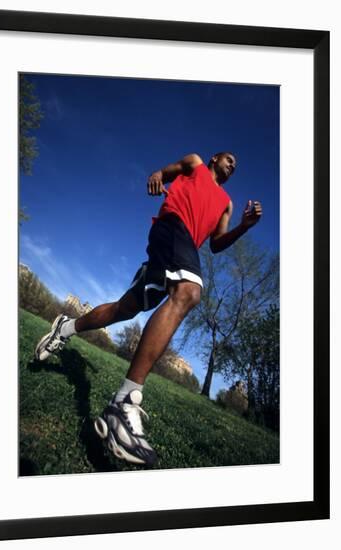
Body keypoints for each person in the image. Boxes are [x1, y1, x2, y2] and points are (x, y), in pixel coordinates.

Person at [34, 151, 262, 466]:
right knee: (189, 291)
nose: (233, 164)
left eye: (237, 164)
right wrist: (157, 174)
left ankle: (65, 327)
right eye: (229, 159)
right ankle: (124, 403)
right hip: (171, 228)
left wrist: (245, 227)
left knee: (124, 309)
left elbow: (217, 243)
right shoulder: (195, 163)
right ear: (214, 159)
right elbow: (164, 173)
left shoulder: (227, 203)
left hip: (177, 253)